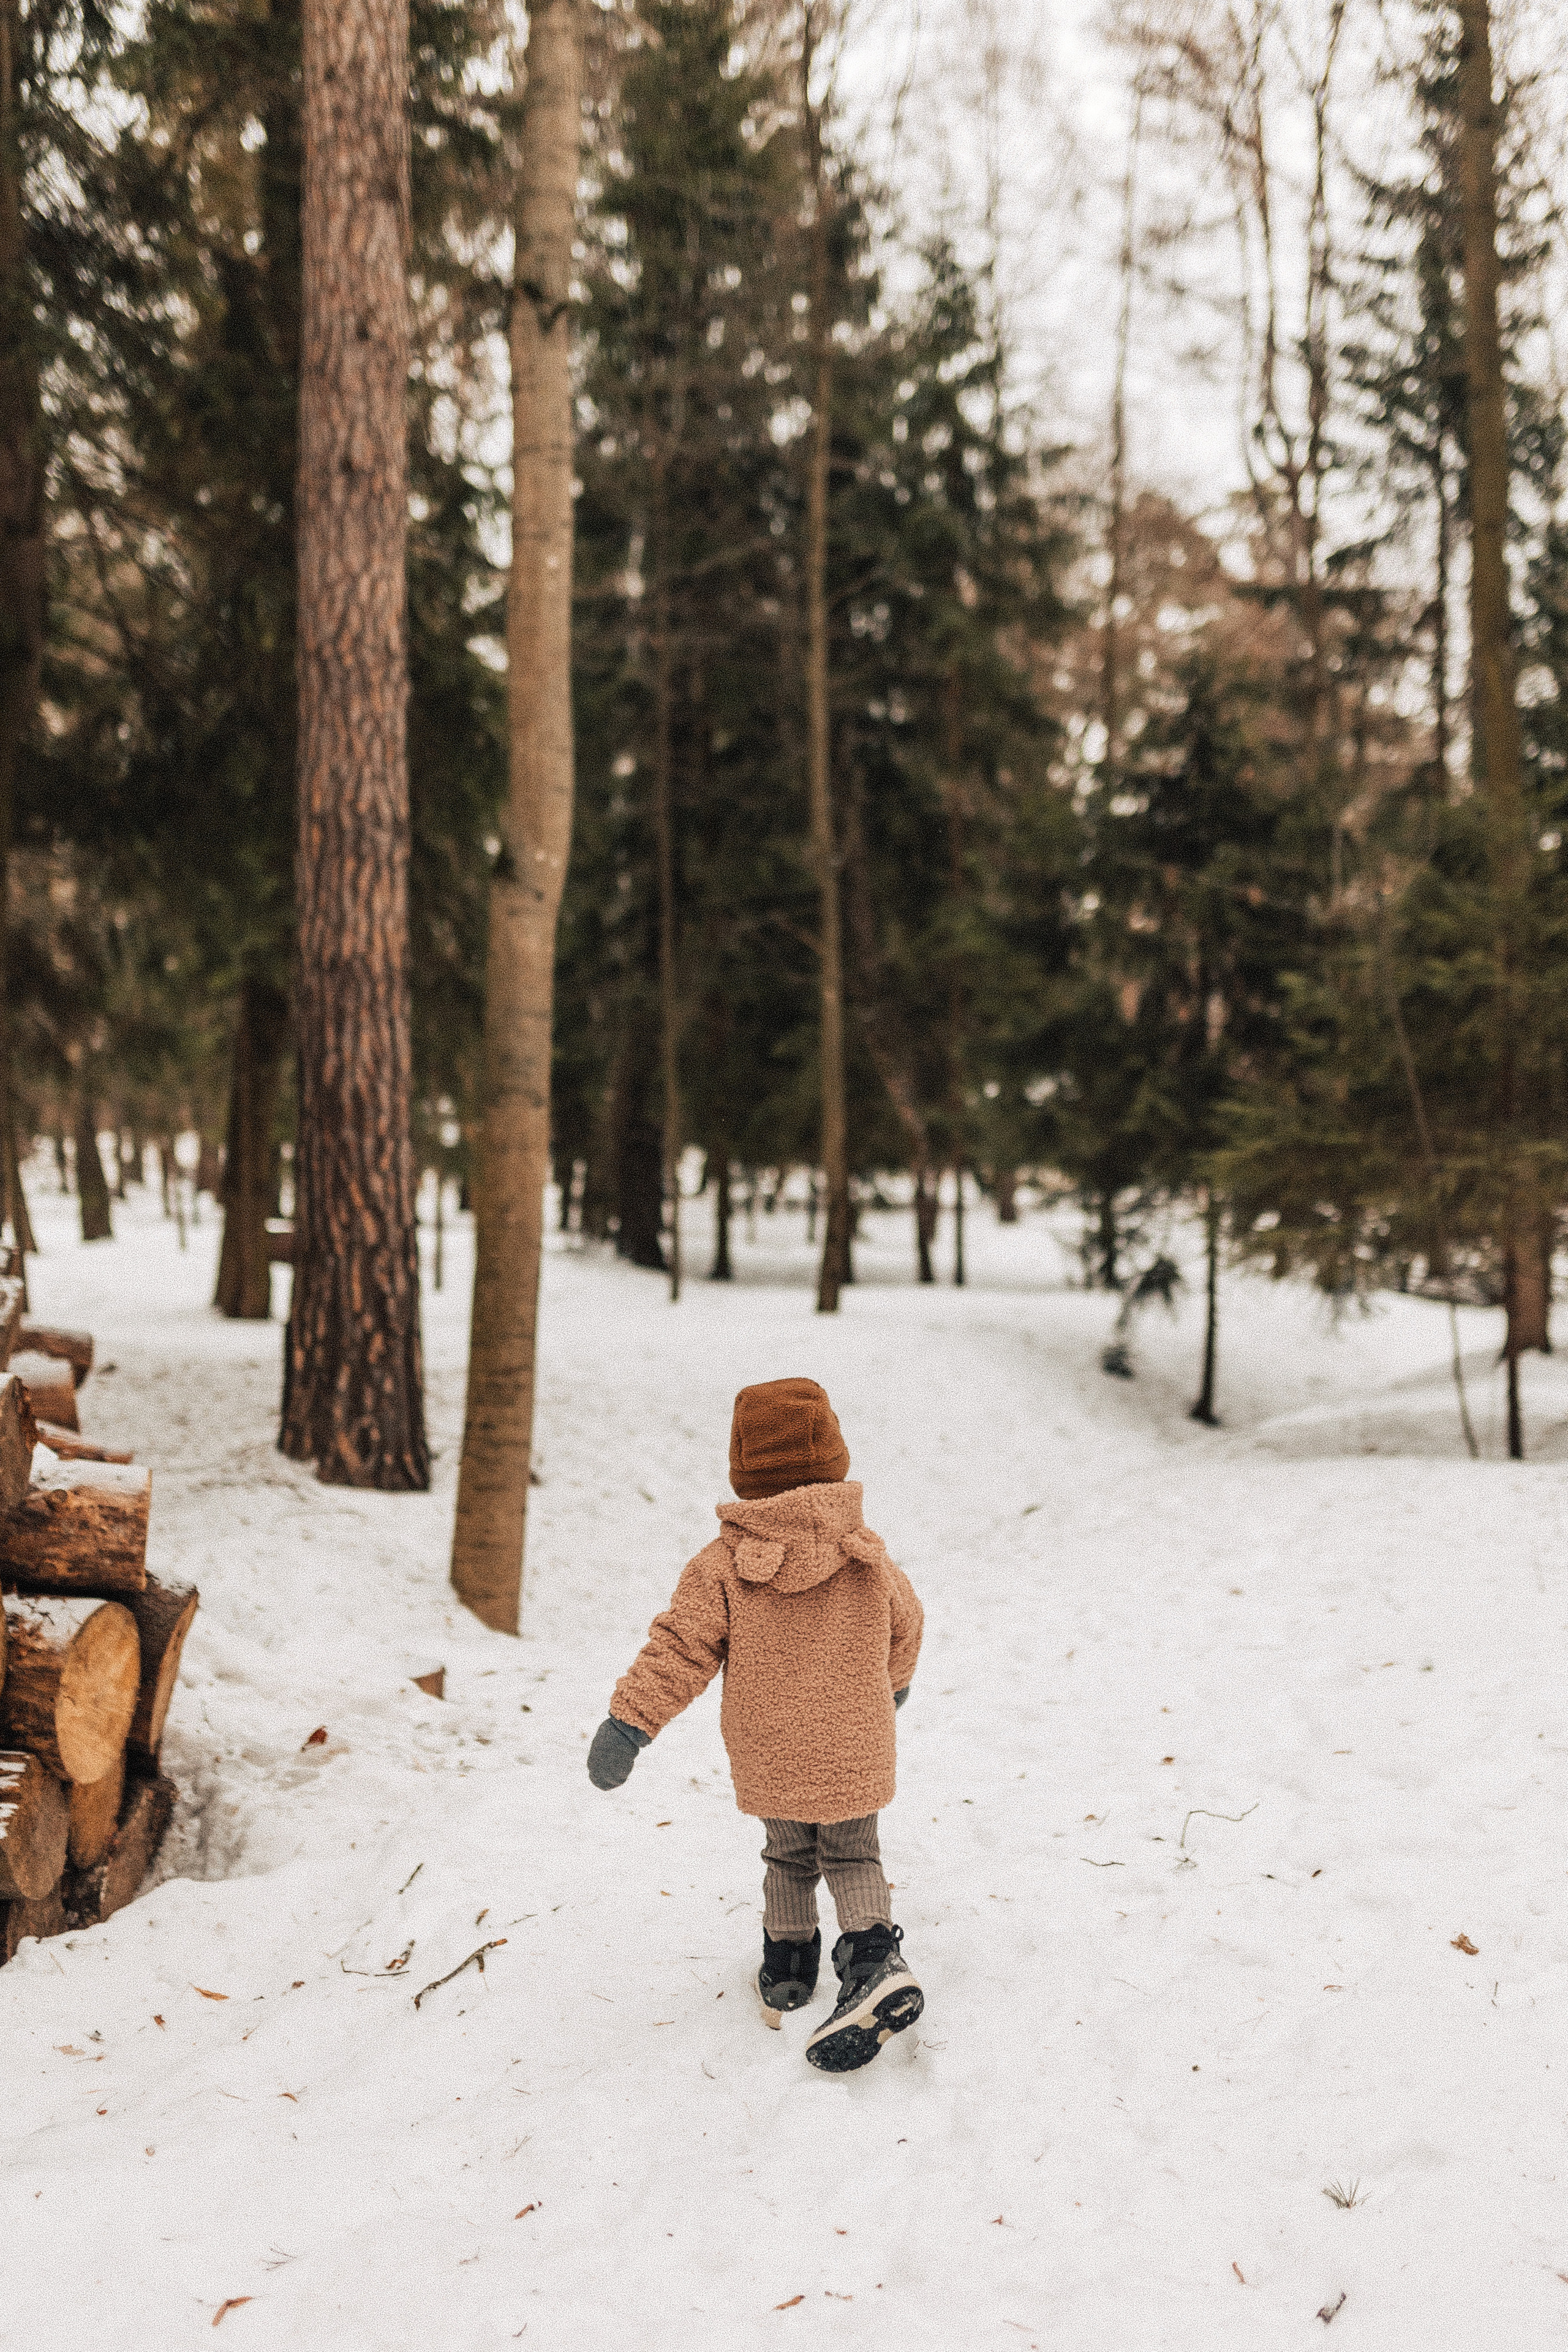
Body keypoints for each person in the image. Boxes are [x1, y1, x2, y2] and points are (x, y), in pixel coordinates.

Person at [586, 1375, 925, 2073]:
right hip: (855, 1743)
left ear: (743, 1467)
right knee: (854, 1851)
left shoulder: (721, 1567)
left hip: (770, 1749)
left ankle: (788, 1966)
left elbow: (679, 1648)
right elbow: (907, 1626)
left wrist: (630, 1722)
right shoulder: (867, 1557)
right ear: (834, 1456)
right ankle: (870, 1957)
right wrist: (890, 1692)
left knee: (788, 1854)